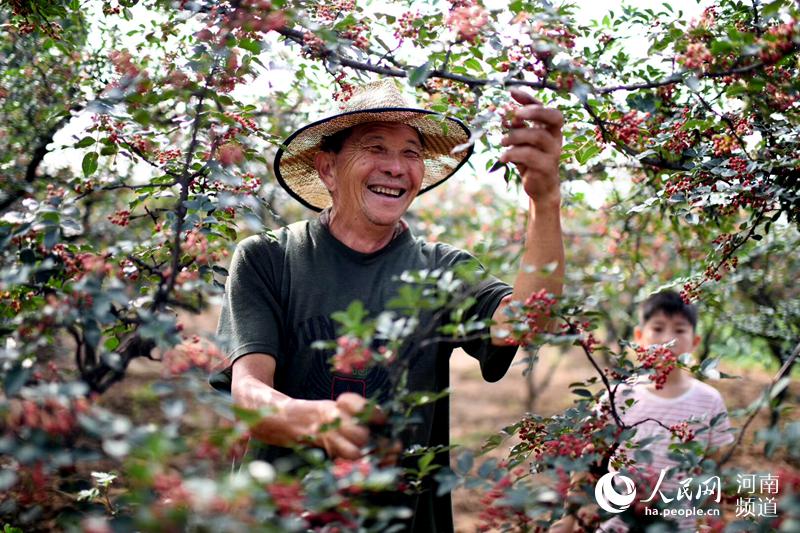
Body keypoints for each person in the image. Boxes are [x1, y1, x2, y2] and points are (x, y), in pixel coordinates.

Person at [210, 78, 565, 532]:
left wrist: (545, 200)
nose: (396, 168)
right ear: (327, 168)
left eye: (411, 153)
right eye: (375, 148)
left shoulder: (442, 269)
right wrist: (320, 419)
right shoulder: (269, 259)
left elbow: (528, 320)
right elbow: (248, 396)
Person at [550, 290, 735, 532]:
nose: (668, 338)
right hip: (616, 525)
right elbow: (587, 464)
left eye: (679, 330)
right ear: (639, 337)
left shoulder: (709, 401)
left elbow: (711, 473)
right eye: (658, 328)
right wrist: (569, 519)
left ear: (695, 342)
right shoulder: (618, 396)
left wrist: (713, 522)